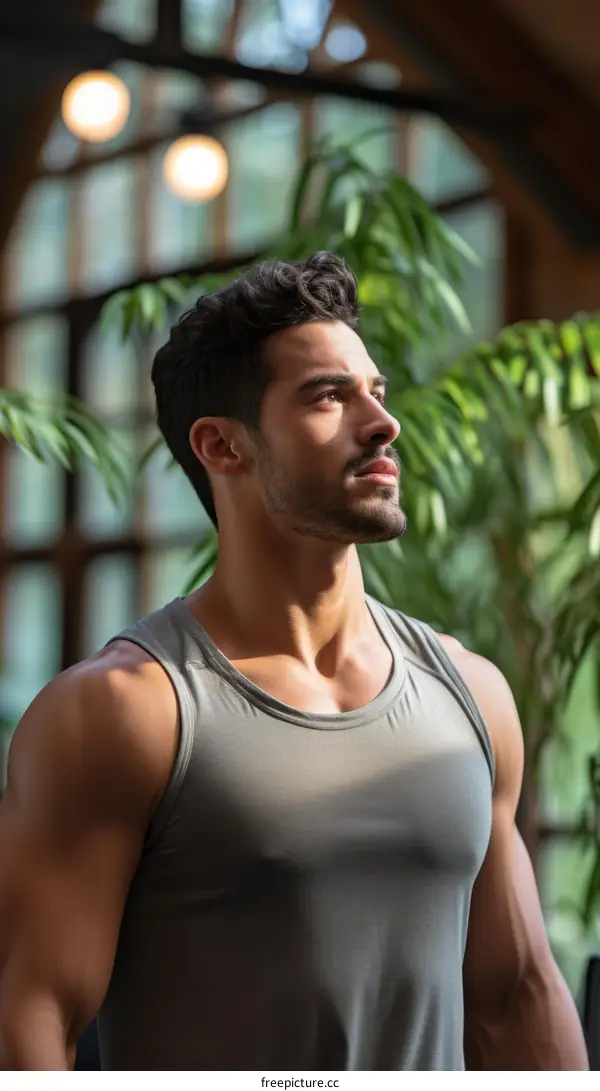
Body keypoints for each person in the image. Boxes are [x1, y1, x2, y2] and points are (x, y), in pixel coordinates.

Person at [0, 253, 589, 1072]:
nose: (382, 423)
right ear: (222, 446)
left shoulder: (472, 694)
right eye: (327, 396)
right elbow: (29, 1017)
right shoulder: (124, 711)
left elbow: (517, 993)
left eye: (375, 393)